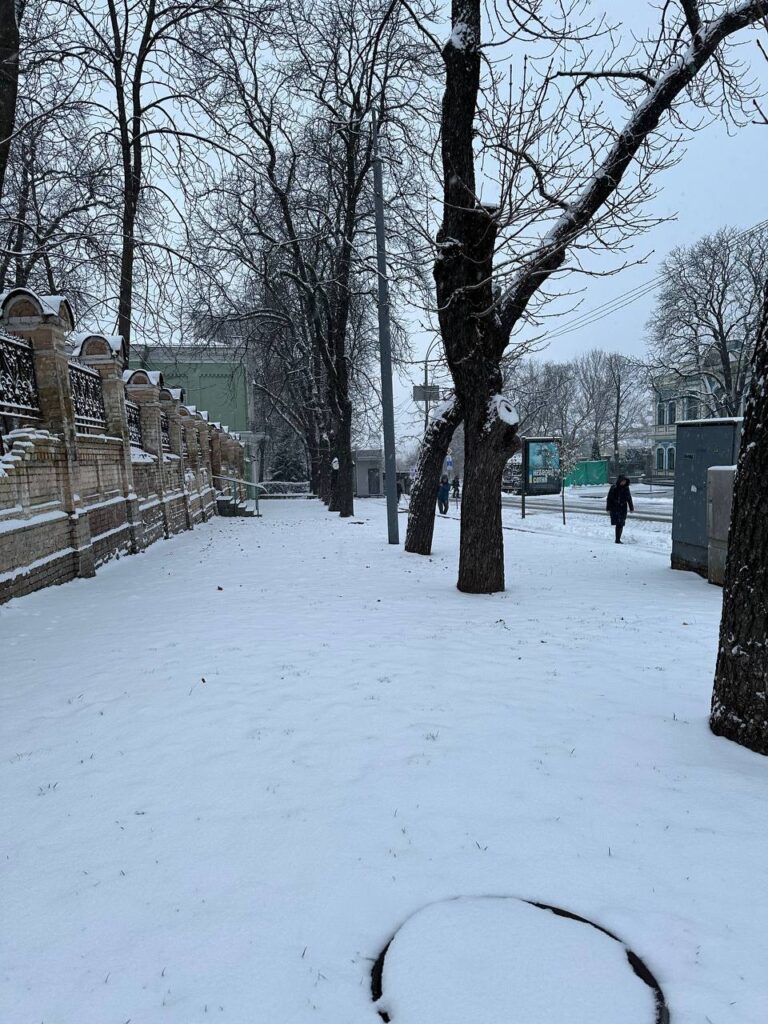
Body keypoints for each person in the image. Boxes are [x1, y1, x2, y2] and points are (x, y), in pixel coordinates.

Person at [606, 475, 634, 544]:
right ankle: (617, 539)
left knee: (621, 523)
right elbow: (609, 498)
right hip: (615, 508)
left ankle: (618, 539)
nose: (624, 483)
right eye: (623, 481)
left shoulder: (626, 488)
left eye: (625, 481)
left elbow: (629, 498)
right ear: (619, 481)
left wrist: (631, 508)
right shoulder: (614, 488)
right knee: (618, 523)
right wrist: (608, 508)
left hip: (623, 508)